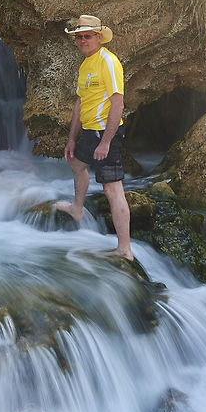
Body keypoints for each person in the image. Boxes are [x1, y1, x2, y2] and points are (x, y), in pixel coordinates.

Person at [55, 14, 133, 260]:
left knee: (112, 189)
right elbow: (80, 103)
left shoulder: (108, 61)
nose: (82, 40)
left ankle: (125, 249)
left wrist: (106, 143)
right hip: (90, 132)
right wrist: (71, 139)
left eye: (87, 36)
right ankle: (77, 208)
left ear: (99, 37)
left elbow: (118, 103)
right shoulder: (85, 64)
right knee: (77, 164)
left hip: (106, 133)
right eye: (79, 37)